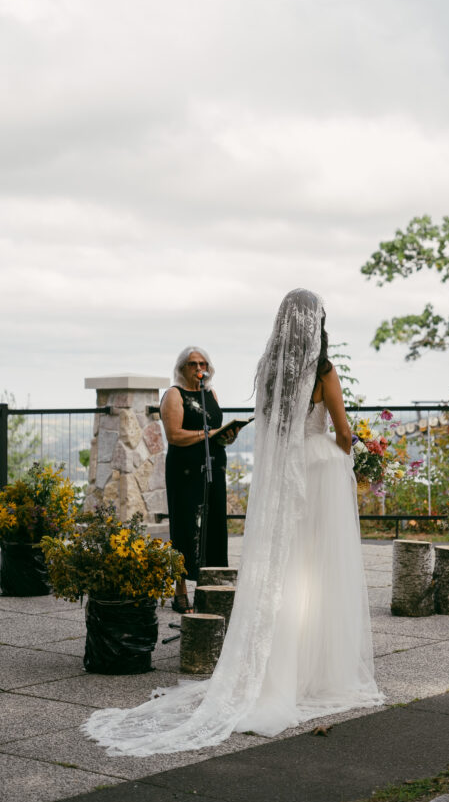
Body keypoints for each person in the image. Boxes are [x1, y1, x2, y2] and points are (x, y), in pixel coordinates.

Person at [82, 289, 382, 755]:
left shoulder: (266, 372)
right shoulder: (322, 370)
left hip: (284, 477)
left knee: (286, 568)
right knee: (318, 570)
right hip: (319, 473)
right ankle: (316, 670)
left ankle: (278, 666)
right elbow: (341, 431)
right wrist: (359, 457)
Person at [161, 347, 234, 614]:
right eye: (192, 364)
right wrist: (209, 434)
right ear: (182, 368)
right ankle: (180, 592)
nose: (198, 368)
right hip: (185, 471)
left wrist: (226, 435)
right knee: (184, 526)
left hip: (214, 468)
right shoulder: (174, 394)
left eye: (202, 363)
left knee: (214, 526)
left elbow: (215, 430)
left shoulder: (210, 393)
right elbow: (175, 435)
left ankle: (209, 588)